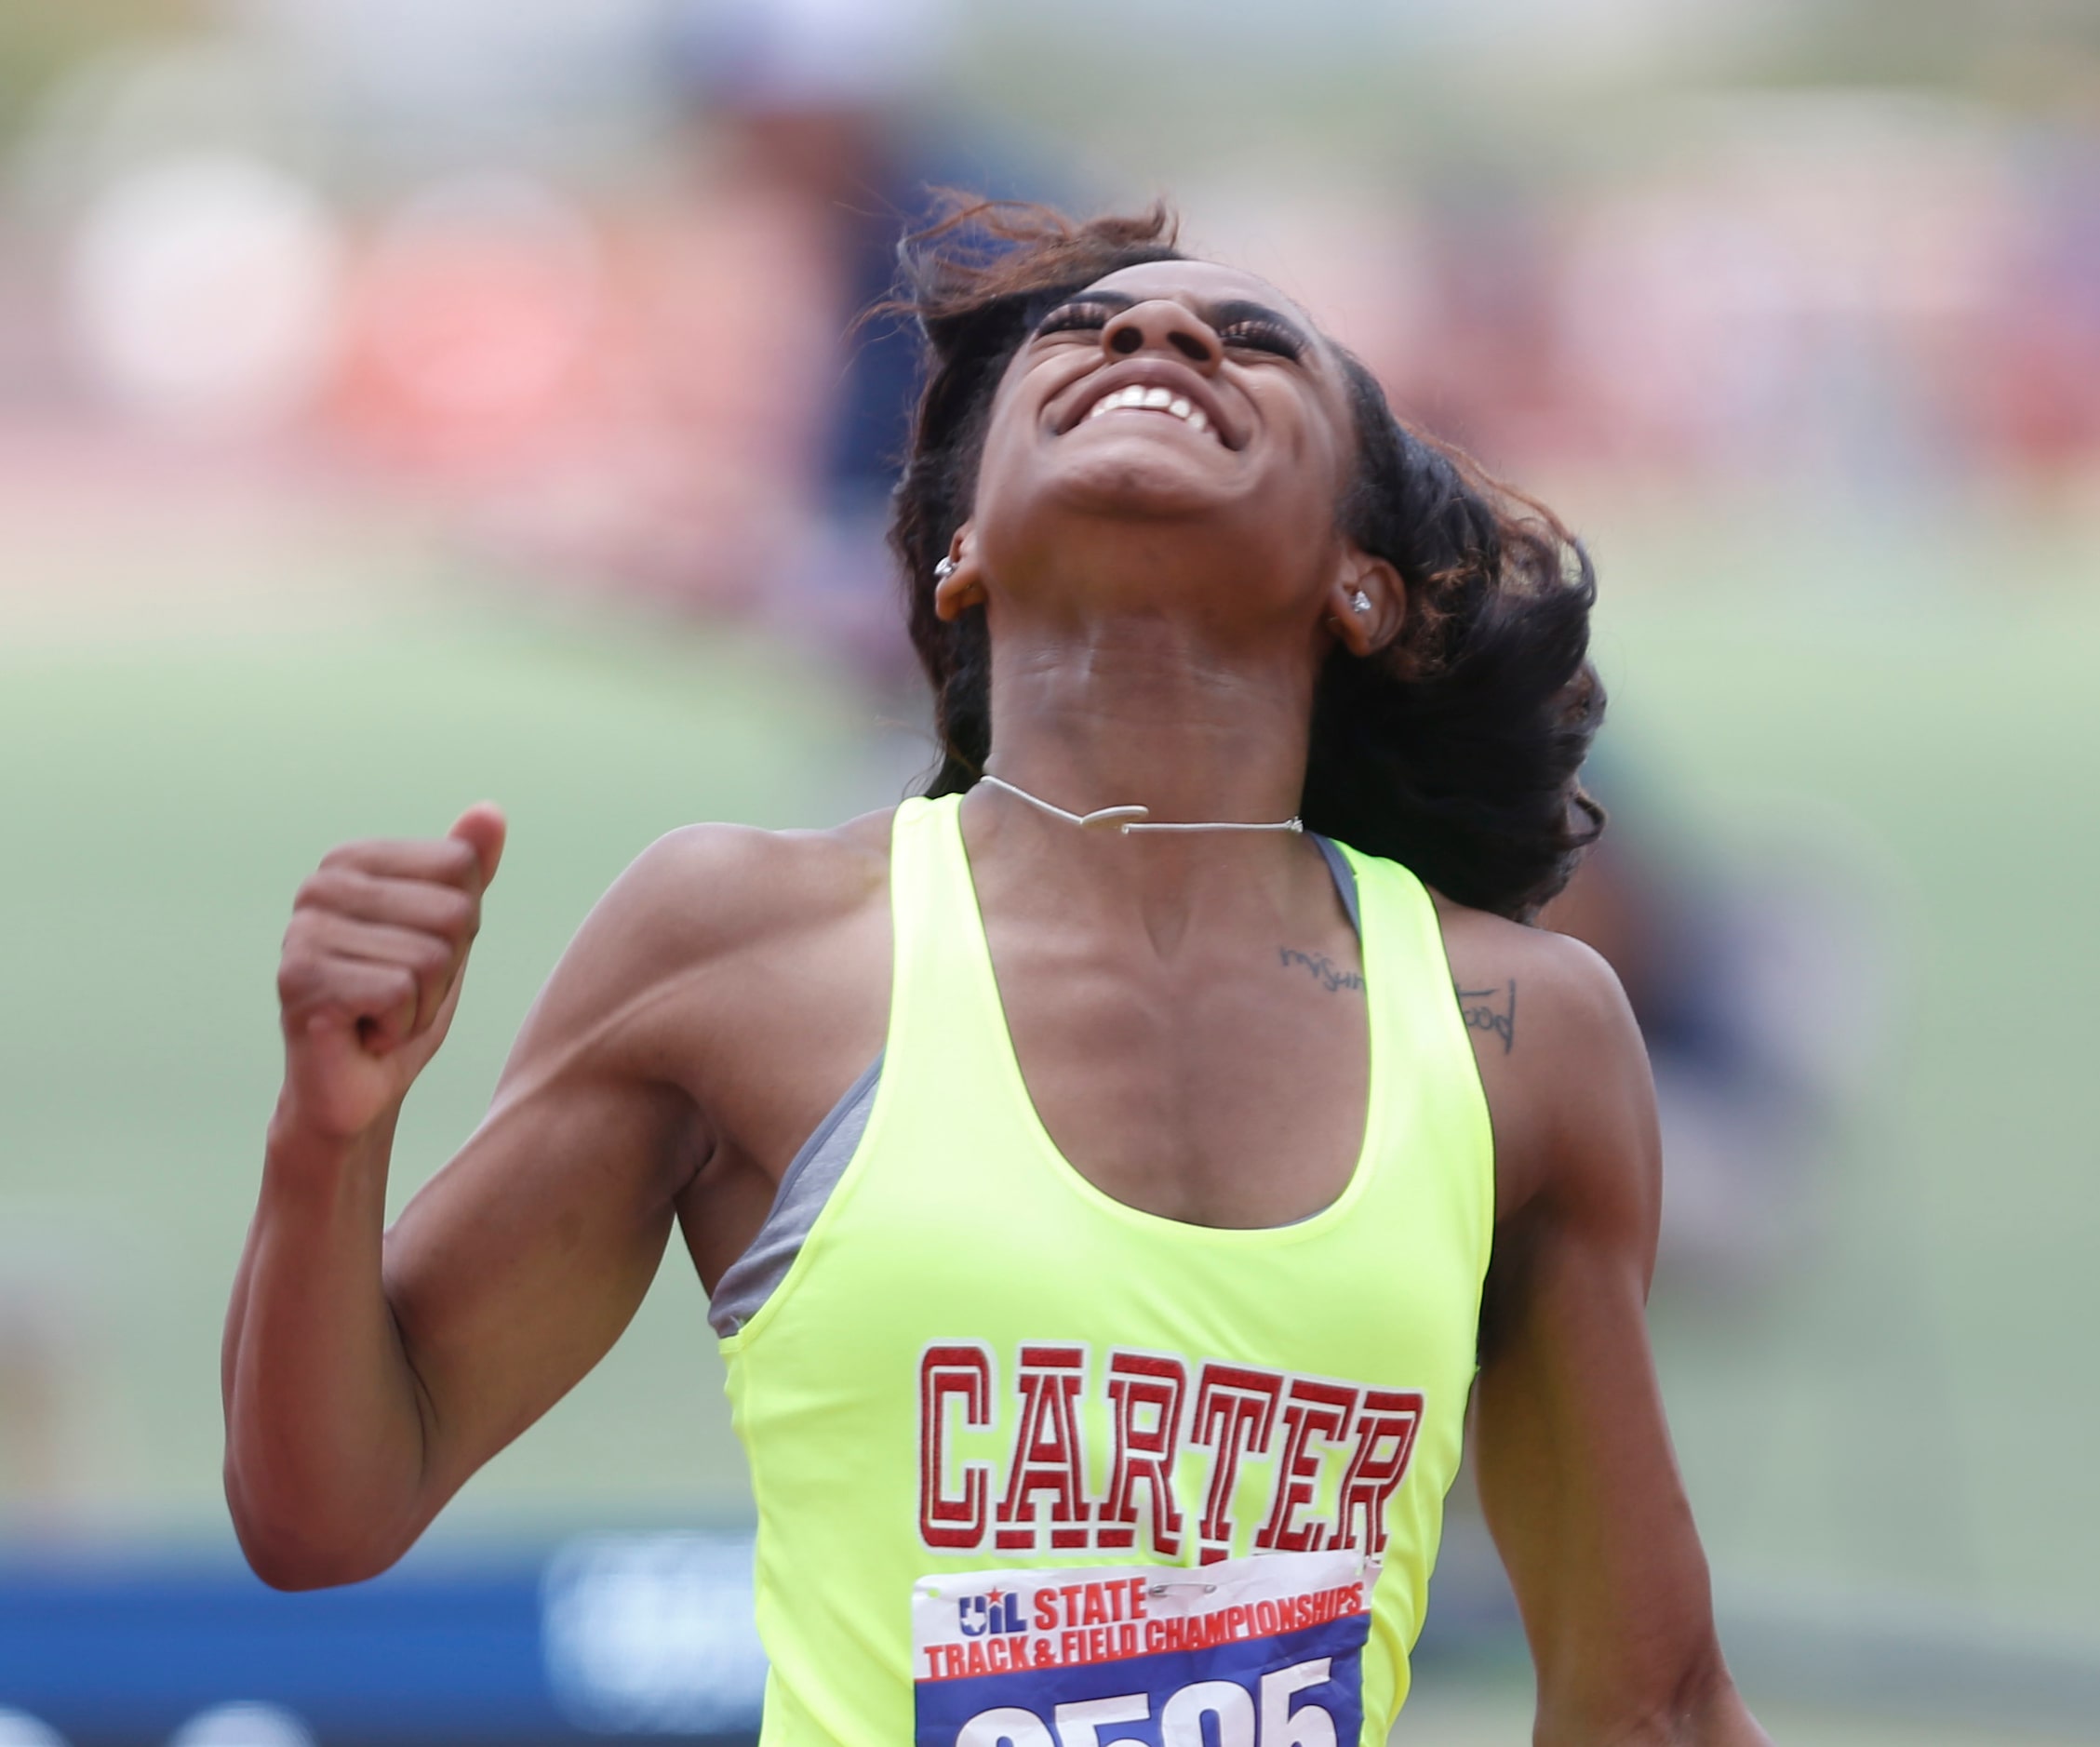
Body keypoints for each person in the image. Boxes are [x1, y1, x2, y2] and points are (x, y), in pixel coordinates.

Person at [222, 201, 1769, 1745]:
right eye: (1081, 337)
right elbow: (326, 1512)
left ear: (1358, 583)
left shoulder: (1515, 1033)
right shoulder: (740, 945)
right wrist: (328, 1133)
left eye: (1251, 344)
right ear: (958, 549)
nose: (1153, 337)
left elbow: (1651, 1704)